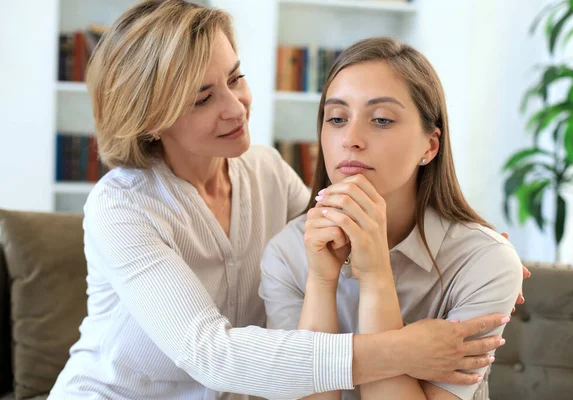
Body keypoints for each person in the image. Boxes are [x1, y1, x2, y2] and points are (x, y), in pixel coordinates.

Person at [48, 1, 525, 399]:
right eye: (203, 98)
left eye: (235, 78)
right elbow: (210, 354)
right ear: (149, 118)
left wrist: (473, 245)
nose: (236, 107)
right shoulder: (123, 207)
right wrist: (402, 350)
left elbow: (340, 222)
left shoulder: (265, 170)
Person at [259, 38, 523, 400]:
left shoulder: (484, 261)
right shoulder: (287, 252)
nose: (350, 139)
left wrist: (375, 276)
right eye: (336, 119)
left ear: (429, 146)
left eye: (381, 119)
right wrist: (321, 282)